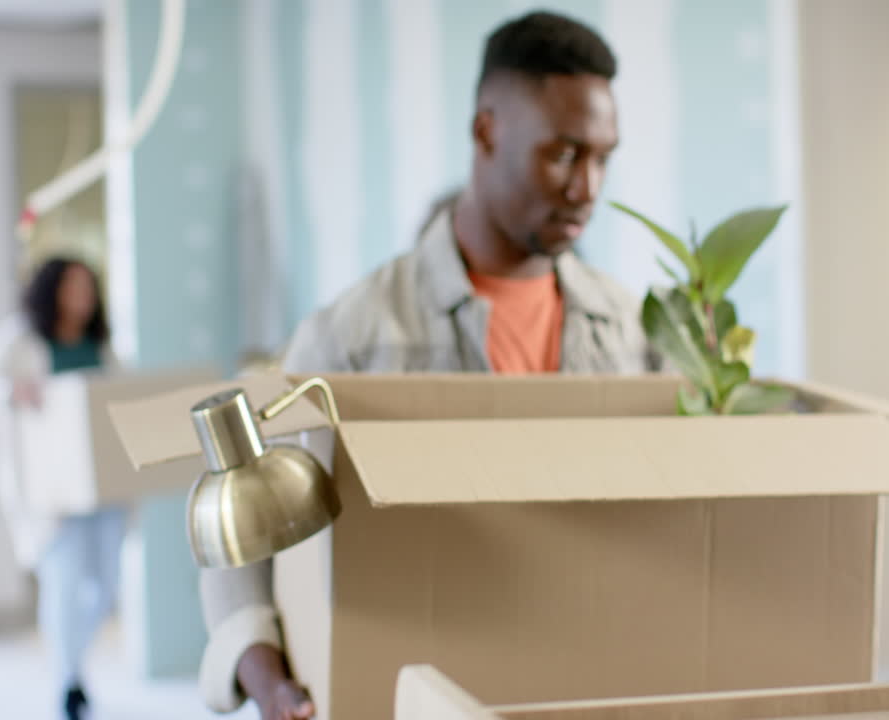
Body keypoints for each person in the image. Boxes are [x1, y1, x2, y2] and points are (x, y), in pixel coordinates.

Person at [197, 11, 658, 719]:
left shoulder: (631, 329)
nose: (588, 188)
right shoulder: (354, 333)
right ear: (486, 131)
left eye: (603, 157)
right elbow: (243, 519)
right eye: (564, 154)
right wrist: (265, 677)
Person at [0, 257, 126, 720]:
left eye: (88, 287)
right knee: (65, 584)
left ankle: (73, 667)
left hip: (104, 491)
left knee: (105, 586)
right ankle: (69, 679)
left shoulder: (101, 345)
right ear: (52, 290)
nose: (83, 296)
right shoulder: (20, 338)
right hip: (51, 492)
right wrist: (14, 391)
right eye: (74, 286)